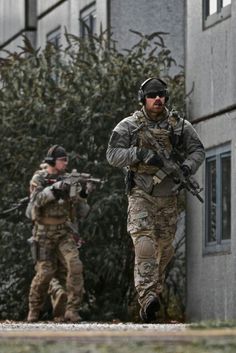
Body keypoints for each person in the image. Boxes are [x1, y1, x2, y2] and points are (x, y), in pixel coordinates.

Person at [106, 77, 205, 322]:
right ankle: (148, 296)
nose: (157, 99)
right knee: (145, 244)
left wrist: (185, 168)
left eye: (161, 94)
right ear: (143, 99)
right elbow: (112, 155)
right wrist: (140, 154)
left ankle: (152, 294)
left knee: (165, 249)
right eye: (152, 95)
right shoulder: (129, 125)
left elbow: (198, 151)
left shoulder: (179, 126)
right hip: (141, 192)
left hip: (168, 194)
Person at [26, 145, 87, 322]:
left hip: (63, 232)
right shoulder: (39, 177)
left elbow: (77, 205)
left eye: (66, 160)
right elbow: (36, 200)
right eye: (63, 160)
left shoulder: (68, 178)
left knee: (75, 265)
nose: (65, 163)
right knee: (45, 272)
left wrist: (82, 190)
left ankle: (72, 309)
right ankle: (34, 309)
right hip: (43, 233)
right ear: (52, 161)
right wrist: (56, 189)